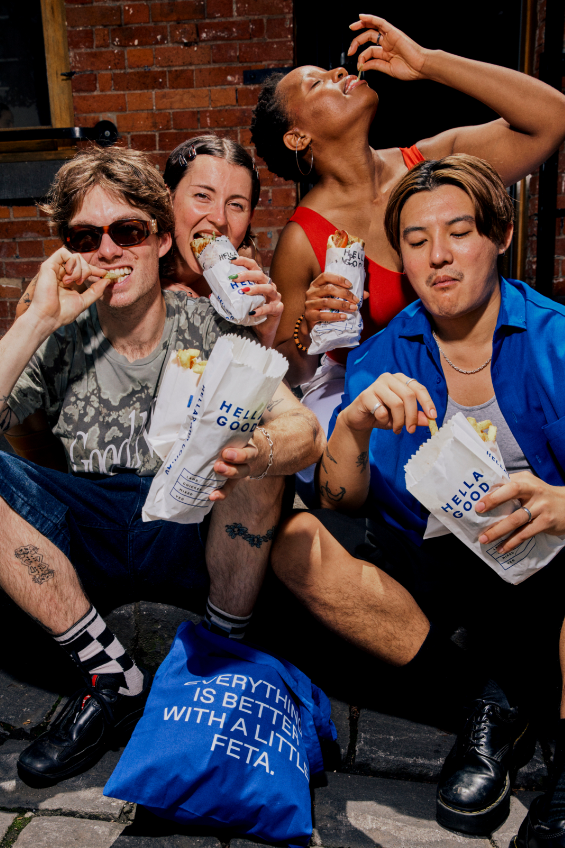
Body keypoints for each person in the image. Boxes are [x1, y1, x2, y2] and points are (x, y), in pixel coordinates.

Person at [0, 145, 324, 787]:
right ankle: (110, 676)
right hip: (86, 524)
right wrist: (38, 319)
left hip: (185, 523)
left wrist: (250, 453)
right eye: (85, 236)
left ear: (157, 236)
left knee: (258, 456)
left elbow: (303, 431)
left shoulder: (209, 323)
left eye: (127, 231)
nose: (109, 250)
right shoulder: (57, 333)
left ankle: (220, 656)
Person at [270, 154, 565, 844]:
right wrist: (349, 422)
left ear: (498, 235)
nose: (438, 256)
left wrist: (561, 501)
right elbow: (341, 500)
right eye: (415, 239)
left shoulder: (555, 338)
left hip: (544, 567)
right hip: (437, 572)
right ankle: (486, 705)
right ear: (398, 256)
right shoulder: (381, 354)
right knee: (294, 543)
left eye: (458, 232)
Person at [251, 12, 565, 495]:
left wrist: (427, 62)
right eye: (317, 85)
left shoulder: (434, 168)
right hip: (389, 411)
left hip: (479, 380)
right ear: (298, 138)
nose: (338, 73)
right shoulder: (303, 237)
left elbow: (553, 118)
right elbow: (290, 371)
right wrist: (308, 329)